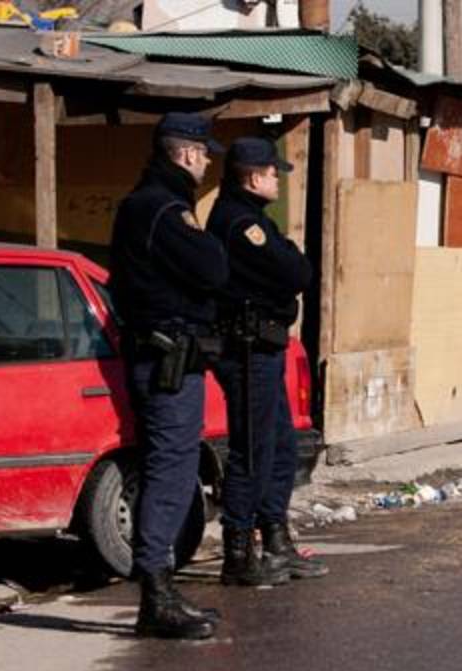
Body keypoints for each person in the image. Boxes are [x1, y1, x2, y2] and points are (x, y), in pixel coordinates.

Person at [109, 113, 229, 640]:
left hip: (165, 357)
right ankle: (155, 597)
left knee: (174, 469)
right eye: (204, 154)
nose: (206, 163)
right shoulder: (162, 207)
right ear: (185, 154)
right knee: (172, 471)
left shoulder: (148, 203)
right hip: (167, 361)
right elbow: (213, 270)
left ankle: (163, 590)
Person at [208, 138, 328, 587]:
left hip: (265, 349)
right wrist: (289, 267)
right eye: (273, 173)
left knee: (280, 447)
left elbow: (295, 269)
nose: (277, 179)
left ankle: (276, 540)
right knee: (253, 451)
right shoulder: (239, 224)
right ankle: (238, 550)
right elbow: (297, 272)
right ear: (254, 177)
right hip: (246, 351)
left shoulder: (253, 219)